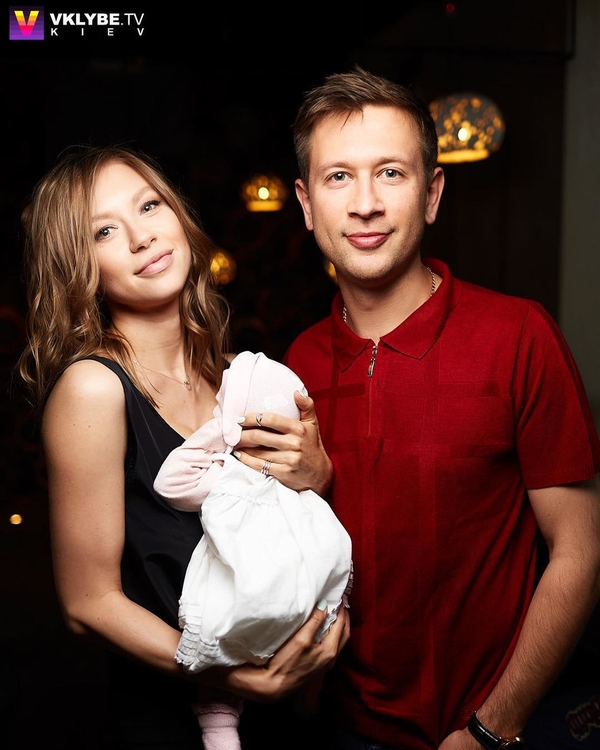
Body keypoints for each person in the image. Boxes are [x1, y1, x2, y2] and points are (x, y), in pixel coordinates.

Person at [282, 65, 600, 750]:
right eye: (338, 177)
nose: (365, 203)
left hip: (487, 730)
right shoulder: (294, 365)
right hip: (340, 730)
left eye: (390, 173)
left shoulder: (519, 336)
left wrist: (491, 728)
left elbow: (580, 552)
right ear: (307, 204)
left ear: (431, 194)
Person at [16, 144, 349, 750]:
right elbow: (87, 603)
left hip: (291, 714)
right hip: (175, 723)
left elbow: (281, 521)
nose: (141, 236)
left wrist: (316, 475)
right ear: (79, 267)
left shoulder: (234, 375)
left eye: (149, 206)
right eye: (104, 231)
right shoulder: (94, 388)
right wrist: (232, 678)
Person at [153, 349, 353, 750]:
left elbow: (170, 484)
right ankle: (309, 697)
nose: (215, 404)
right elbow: (332, 546)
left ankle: (220, 723)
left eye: (222, 402)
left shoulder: (229, 478)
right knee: (325, 604)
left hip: (250, 595)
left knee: (225, 641)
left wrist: (217, 433)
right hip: (295, 596)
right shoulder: (301, 489)